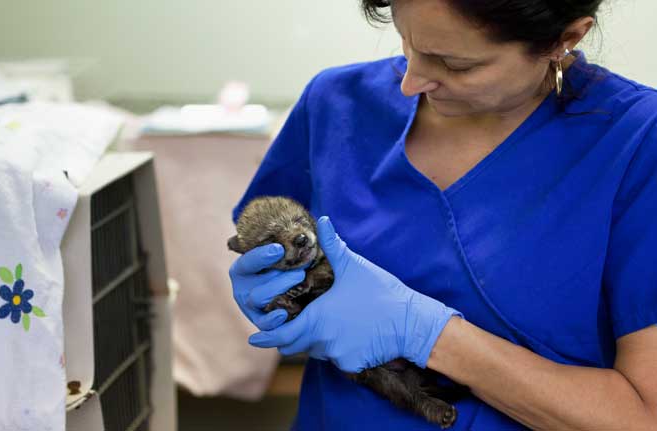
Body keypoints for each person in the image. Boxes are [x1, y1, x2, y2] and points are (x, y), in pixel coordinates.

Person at [229, 0, 657, 429]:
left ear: (565, 39)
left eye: (454, 64)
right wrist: (280, 294)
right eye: (405, 40)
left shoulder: (637, 143)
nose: (410, 82)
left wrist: (426, 334)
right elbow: (274, 247)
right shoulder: (336, 103)